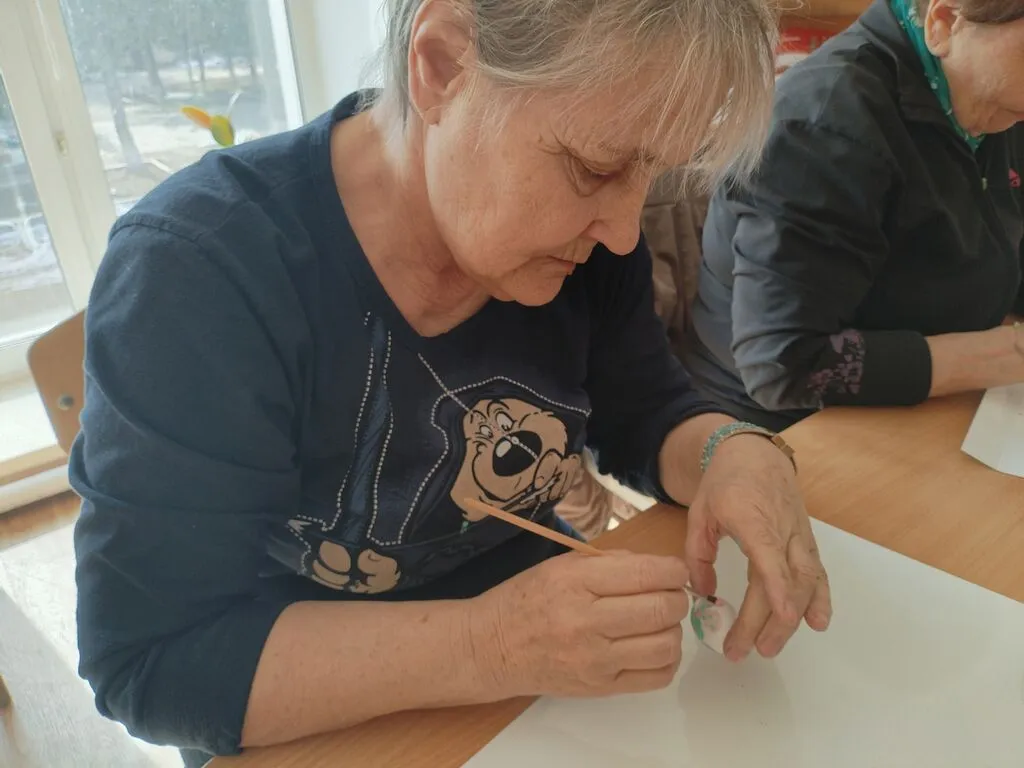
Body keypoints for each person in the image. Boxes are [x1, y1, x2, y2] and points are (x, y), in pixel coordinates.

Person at [71, 2, 831, 765]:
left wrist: (732, 452)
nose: (624, 230)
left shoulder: (587, 242)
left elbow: (646, 410)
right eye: (595, 168)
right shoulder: (199, 274)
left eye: (654, 171)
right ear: (442, 67)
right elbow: (153, 660)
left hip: (543, 675)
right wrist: (488, 644)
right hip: (307, 704)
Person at [685, 0, 1024, 432]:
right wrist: (1002, 356)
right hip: (780, 426)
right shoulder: (825, 126)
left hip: (928, 401)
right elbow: (782, 363)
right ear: (943, 22)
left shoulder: (996, 102)